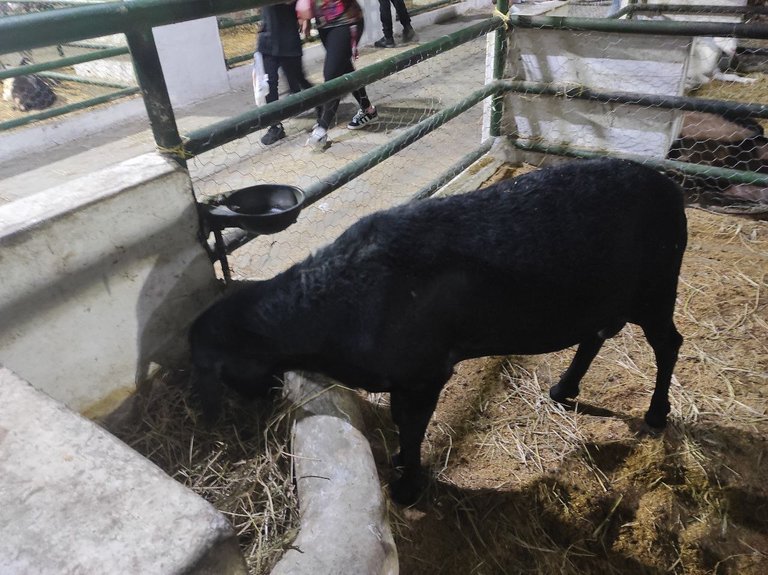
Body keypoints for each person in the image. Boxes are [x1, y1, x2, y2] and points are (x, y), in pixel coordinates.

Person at [301, 0, 379, 149]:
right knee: (344, 68)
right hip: (325, 24)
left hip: (346, 21)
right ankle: (368, 110)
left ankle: (322, 129)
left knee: (332, 74)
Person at [257, 1, 314, 145]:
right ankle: (275, 125)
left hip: (287, 37)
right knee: (269, 85)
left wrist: (305, 19)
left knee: (299, 80)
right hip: (267, 37)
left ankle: (323, 107)